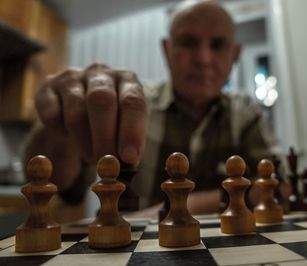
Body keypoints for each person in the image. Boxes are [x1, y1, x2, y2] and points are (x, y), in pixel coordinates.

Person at [23, 0, 281, 217]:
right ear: (167, 50)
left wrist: (180, 206)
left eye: (218, 45)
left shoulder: (246, 114)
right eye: (188, 42)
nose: (203, 59)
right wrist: (60, 126)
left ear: (235, 56)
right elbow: (60, 183)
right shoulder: (124, 105)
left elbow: (279, 188)